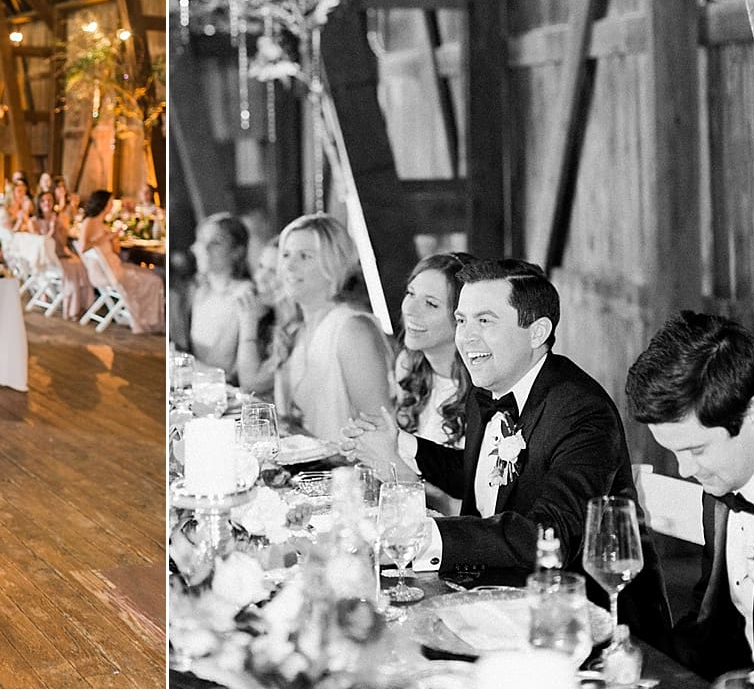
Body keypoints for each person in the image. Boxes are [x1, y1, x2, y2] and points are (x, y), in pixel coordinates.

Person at [347, 258, 672, 646]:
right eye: (462, 320)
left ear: (537, 332)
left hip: (581, 625)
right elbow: (482, 477)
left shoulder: (582, 411)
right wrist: (403, 443)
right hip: (491, 603)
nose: (465, 338)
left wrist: (420, 534)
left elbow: (547, 535)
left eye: (485, 321)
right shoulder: (491, 387)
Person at [626, 311, 754, 680]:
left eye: (696, 450)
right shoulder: (722, 492)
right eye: (674, 452)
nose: (685, 470)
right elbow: (713, 632)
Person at [272, 213, 394, 444]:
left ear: (336, 263)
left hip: (345, 475)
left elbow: (380, 430)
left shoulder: (352, 330)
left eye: (304, 256)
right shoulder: (297, 329)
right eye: (286, 254)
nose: (289, 265)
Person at [393, 251, 478, 515]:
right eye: (410, 293)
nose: (411, 309)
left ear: (462, 318)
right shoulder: (408, 365)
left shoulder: (483, 386)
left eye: (430, 304)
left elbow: (465, 501)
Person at [179, 213, 254, 379]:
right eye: (201, 240)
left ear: (237, 252)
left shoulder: (244, 294)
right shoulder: (197, 291)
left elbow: (220, 366)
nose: (204, 249)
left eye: (216, 243)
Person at [78, 189, 164, 334]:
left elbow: (116, 251)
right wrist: (106, 238)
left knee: (151, 276)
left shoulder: (104, 224)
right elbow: (82, 247)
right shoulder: (89, 222)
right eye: (110, 203)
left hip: (113, 267)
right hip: (105, 273)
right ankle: (148, 320)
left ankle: (150, 319)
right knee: (154, 280)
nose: (112, 206)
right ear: (103, 204)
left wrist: (115, 237)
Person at [233, 235, 281, 395]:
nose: (260, 277)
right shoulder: (266, 319)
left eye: (273, 271)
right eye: (261, 266)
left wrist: (248, 323)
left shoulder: (298, 330)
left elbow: (250, 384)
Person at [34, 190, 90, 318]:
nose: (47, 203)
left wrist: (60, 228)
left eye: (50, 200)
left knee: (81, 266)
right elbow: (40, 244)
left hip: (60, 253)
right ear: (39, 203)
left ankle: (82, 305)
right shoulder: (34, 221)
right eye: (43, 201)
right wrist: (51, 230)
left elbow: (63, 243)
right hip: (47, 259)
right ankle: (72, 309)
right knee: (73, 270)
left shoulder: (60, 218)